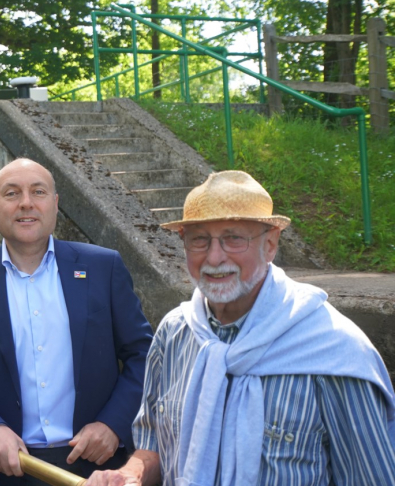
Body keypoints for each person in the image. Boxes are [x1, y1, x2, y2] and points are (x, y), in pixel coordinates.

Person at [86, 170, 395, 486]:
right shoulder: (174, 334)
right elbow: (153, 446)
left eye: (234, 237)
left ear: (271, 244)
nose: (215, 257)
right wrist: (129, 474)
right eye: (199, 239)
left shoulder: (335, 351)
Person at [0, 157, 153, 485]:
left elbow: (144, 355)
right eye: (11, 194)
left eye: (38, 191)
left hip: (99, 466)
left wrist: (113, 424)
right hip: (8, 468)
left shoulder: (103, 268)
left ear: (55, 203)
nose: (26, 203)